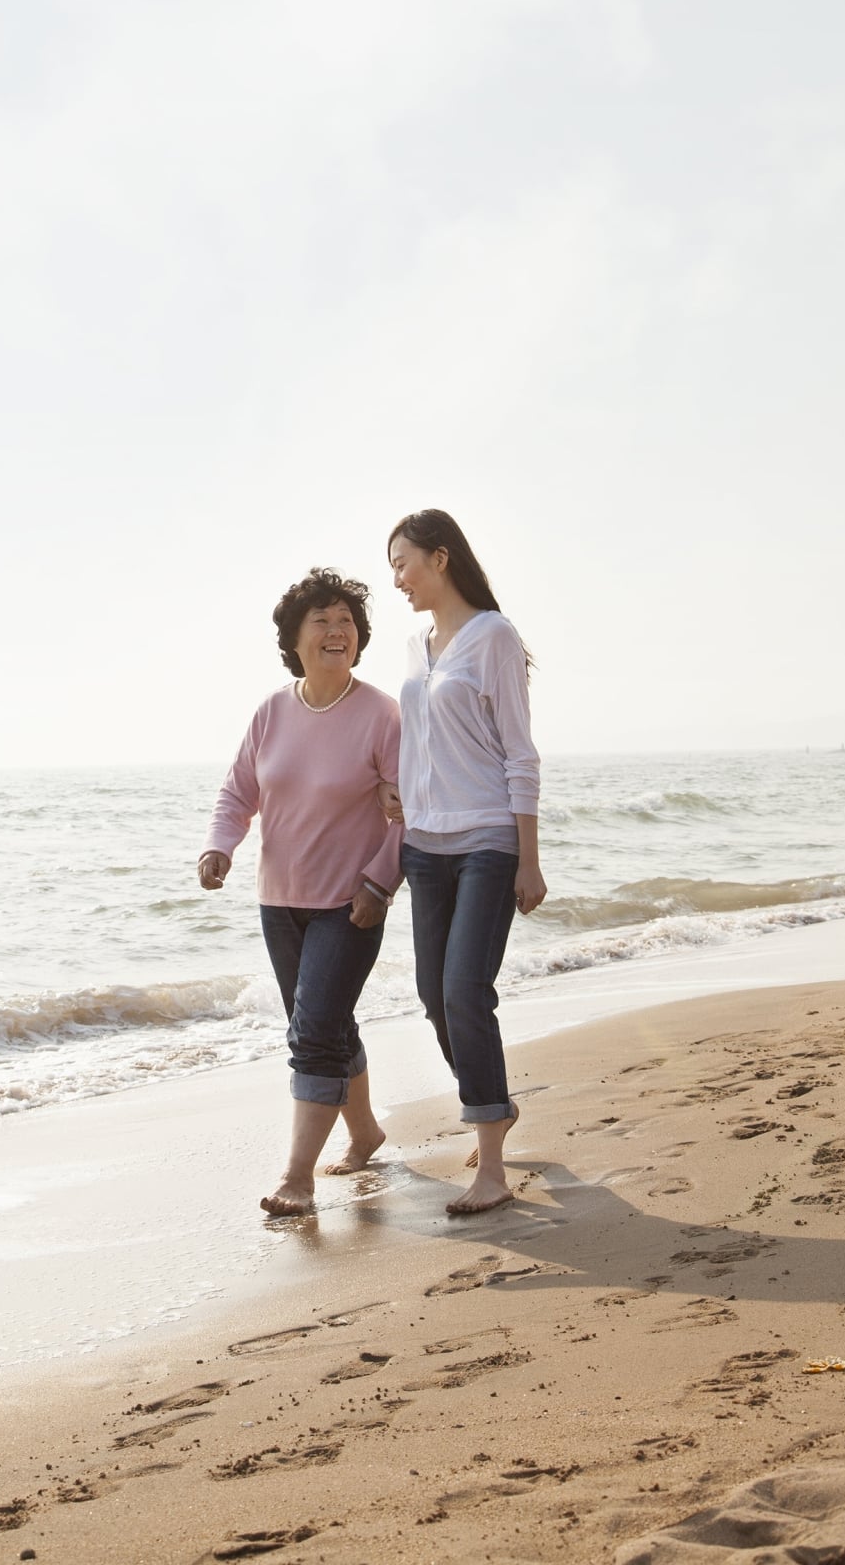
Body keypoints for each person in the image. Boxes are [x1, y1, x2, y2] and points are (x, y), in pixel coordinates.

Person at [198, 568, 402, 1216]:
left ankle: (296, 1178)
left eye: (345, 620)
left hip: (351, 903)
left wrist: (379, 880)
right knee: (323, 1021)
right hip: (277, 901)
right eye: (320, 620)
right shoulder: (270, 713)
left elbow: (415, 812)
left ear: (359, 637)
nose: (335, 629)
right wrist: (218, 846)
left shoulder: (381, 715)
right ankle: (364, 1132)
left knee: (312, 1032)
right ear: (294, 638)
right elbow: (238, 793)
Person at [385, 509, 546, 1216]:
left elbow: (518, 751)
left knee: (463, 992)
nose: (396, 579)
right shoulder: (417, 645)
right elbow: (420, 741)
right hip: (424, 846)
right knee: (432, 996)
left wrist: (528, 859)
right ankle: (493, 1106)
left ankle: (490, 1161)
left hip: (485, 842)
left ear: (440, 558)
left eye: (403, 563)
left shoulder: (493, 637)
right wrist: (401, 794)